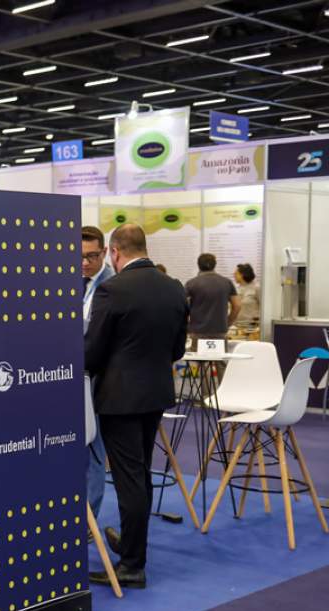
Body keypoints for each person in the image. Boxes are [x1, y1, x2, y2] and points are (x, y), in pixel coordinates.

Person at [85, 224, 187, 589]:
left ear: (114, 251)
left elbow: (92, 353)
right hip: (155, 394)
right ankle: (132, 546)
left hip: (120, 398)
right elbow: (177, 349)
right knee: (140, 473)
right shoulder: (173, 287)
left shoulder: (112, 289)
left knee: (129, 479)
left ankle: (131, 565)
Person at [80, 226, 114, 522]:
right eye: (79, 256)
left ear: (104, 252)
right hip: (67, 375)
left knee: (93, 448)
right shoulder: (68, 283)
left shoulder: (114, 285)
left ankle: (88, 520)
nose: (84, 262)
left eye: (91, 256)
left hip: (99, 377)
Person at [185, 253, 240, 347]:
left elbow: (182, 307)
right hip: (220, 332)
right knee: (220, 356)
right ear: (215, 264)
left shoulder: (191, 283)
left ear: (198, 265)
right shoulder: (227, 282)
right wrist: (228, 323)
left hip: (197, 332)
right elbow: (237, 306)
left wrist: (187, 325)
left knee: (198, 356)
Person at [233, 263, 260, 330]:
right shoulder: (236, 289)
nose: (234, 275)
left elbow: (263, 307)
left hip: (252, 327)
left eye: (236, 273)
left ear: (243, 274)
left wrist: (257, 321)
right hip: (237, 326)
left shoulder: (257, 288)